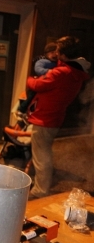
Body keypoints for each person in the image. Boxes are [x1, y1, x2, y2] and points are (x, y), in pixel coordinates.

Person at [26, 36, 90, 199]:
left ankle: (40, 190)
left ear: (64, 54)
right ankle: (41, 184)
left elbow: (37, 85)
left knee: (42, 156)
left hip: (45, 118)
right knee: (43, 152)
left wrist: (31, 79)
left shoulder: (61, 73)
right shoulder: (74, 72)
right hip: (54, 117)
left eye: (57, 50)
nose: (55, 53)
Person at [16, 42, 58, 116]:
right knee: (31, 95)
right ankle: (21, 109)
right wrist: (49, 71)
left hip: (48, 83)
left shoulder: (57, 63)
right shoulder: (42, 61)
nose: (54, 55)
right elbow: (38, 69)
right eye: (52, 52)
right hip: (40, 81)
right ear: (47, 53)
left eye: (56, 53)